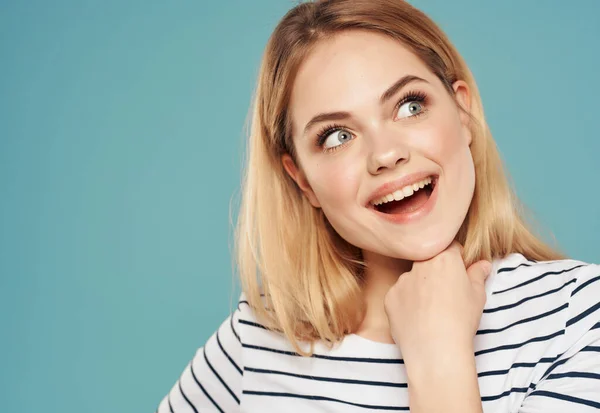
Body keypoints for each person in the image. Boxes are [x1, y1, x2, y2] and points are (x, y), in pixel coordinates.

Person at [155, 0, 600, 411]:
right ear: (302, 180)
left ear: (463, 113)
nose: (385, 154)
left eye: (409, 106)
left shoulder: (578, 320)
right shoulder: (262, 336)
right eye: (337, 136)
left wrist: (437, 358)